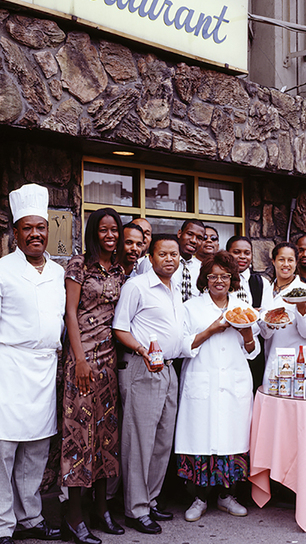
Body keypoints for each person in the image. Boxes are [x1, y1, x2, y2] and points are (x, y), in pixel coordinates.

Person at [0, 184, 65, 544]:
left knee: (36, 451)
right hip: (7, 370)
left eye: (41, 227)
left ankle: (30, 518)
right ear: (15, 232)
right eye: (27, 228)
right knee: (3, 452)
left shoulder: (56, 273)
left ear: (48, 230)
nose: (35, 234)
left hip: (42, 372)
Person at [174, 251, 259, 522]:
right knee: (201, 437)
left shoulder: (243, 306)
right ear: (205, 279)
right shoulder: (191, 307)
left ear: (233, 279)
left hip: (234, 381)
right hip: (202, 379)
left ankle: (226, 497)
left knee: (232, 439)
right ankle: (199, 498)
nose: (219, 281)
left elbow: (252, 351)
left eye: (225, 276)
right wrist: (211, 330)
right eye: (213, 276)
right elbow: (182, 346)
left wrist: (246, 333)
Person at [61, 208, 125, 543]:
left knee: (105, 438)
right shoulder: (78, 265)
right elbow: (70, 313)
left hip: (108, 363)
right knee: (79, 436)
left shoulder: (119, 269)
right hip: (82, 362)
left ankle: (101, 510)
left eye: (115, 229)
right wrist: (80, 360)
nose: (110, 235)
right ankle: (74, 517)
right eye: (104, 230)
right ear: (93, 232)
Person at [112, 234, 184, 533]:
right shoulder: (137, 286)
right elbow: (120, 328)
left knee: (162, 440)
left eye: (174, 254)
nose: (170, 259)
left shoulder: (174, 289)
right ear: (151, 258)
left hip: (167, 368)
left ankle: (151, 501)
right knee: (140, 440)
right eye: (163, 254)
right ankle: (135, 509)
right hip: (143, 367)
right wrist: (143, 350)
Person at [260, 243, 306, 387]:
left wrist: (301, 307)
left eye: (290, 260)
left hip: (297, 364)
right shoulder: (267, 291)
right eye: (281, 259)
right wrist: (268, 323)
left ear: (296, 262)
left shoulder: (305, 292)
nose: (285, 264)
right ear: (273, 261)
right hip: (272, 362)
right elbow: (265, 334)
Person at [225, 235, 271, 390]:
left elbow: (266, 327)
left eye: (247, 252)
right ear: (227, 253)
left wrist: (265, 319)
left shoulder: (261, 283)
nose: (242, 257)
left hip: (254, 349)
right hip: (227, 346)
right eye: (236, 252)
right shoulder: (221, 281)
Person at [175, 219, 206, 302]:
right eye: (189, 234)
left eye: (199, 238)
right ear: (179, 233)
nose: (193, 240)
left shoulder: (202, 269)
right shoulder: (165, 263)